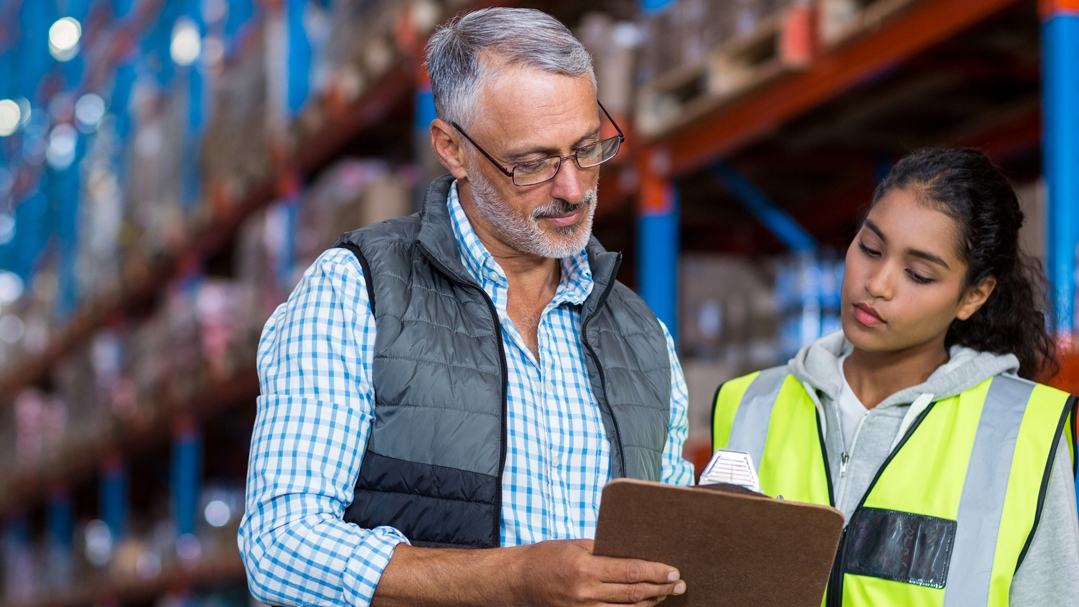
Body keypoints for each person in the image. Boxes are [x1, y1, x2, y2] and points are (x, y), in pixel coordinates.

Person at [239, 8, 693, 607]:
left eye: (587, 149)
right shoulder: (356, 293)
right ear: (451, 149)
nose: (573, 188)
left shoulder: (642, 335)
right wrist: (512, 581)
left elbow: (670, 553)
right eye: (532, 163)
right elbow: (280, 549)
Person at [712, 148, 1079, 606]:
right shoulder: (749, 403)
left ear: (974, 296)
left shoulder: (1024, 430)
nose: (878, 283)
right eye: (869, 248)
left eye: (918, 274)